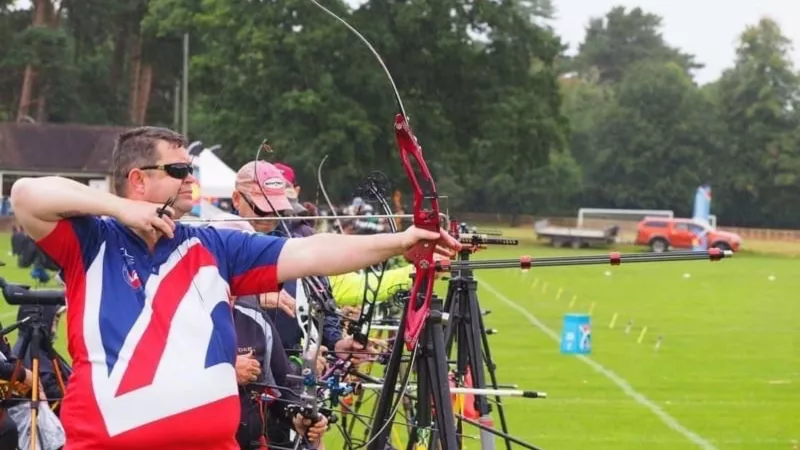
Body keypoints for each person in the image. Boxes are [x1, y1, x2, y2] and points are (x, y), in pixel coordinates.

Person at [8, 126, 460, 450]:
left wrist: (401, 242)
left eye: (192, 168)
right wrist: (122, 212)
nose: (191, 177)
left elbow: (312, 252)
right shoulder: (91, 241)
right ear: (138, 180)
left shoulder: (214, 245)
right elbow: (27, 193)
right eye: (178, 168)